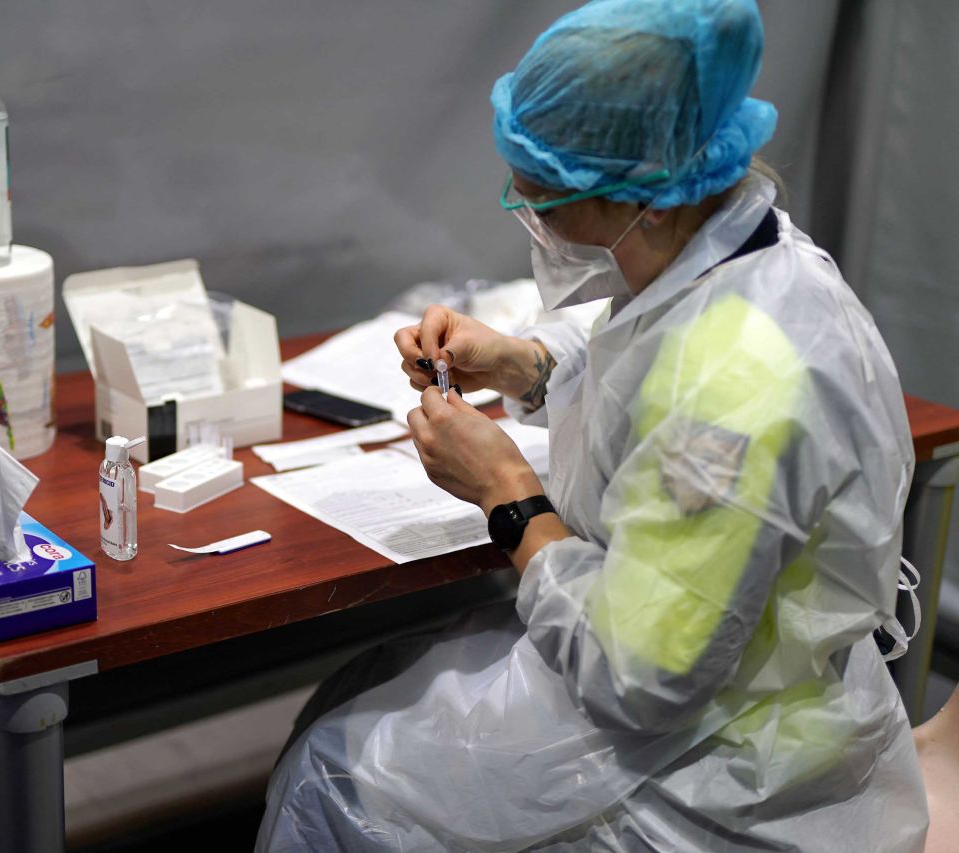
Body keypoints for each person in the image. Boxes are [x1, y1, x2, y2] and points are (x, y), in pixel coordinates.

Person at [256, 0, 930, 850]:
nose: (522, 208)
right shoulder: (740, 254)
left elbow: (637, 678)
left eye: (540, 192)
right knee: (361, 688)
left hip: (727, 772)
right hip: (730, 684)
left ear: (642, 199)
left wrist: (506, 493)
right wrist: (526, 366)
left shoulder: (739, 387)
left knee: (333, 774)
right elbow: (650, 380)